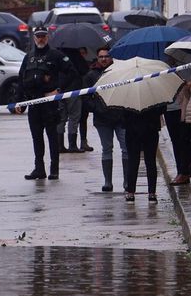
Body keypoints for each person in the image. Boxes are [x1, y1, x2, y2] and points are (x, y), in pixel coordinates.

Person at [16, 25, 73, 180]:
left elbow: (71, 73)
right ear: (34, 38)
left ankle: (54, 169)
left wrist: (59, 90)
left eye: (43, 36)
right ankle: (39, 169)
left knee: (52, 137)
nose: (41, 38)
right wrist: (19, 102)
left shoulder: (55, 55)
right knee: (37, 138)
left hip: (49, 104)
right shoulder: (29, 57)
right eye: (38, 36)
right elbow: (21, 79)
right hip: (34, 103)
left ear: (47, 37)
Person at [86, 46, 127, 192]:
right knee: (107, 149)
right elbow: (85, 97)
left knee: (125, 149)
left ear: (111, 58)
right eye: (101, 56)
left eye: (106, 56)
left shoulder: (120, 72)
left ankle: (127, 182)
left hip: (120, 117)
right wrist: (96, 108)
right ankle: (108, 182)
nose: (104, 59)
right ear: (97, 58)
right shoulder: (91, 75)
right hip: (102, 119)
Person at [123, 107, 163, 203]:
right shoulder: (153, 94)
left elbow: (122, 111)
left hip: (132, 128)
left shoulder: (127, 93)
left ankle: (131, 193)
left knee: (133, 160)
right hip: (151, 127)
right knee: (150, 161)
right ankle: (152, 193)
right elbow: (162, 109)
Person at [59, 44, 90, 153]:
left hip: (59, 91)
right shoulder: (75, 54)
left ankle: (60, 145)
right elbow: (84, 70)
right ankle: (72, 145)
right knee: (74, 117)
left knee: (61, 119)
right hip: (73, 90)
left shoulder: (56, 54)